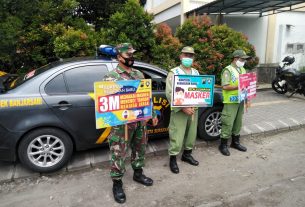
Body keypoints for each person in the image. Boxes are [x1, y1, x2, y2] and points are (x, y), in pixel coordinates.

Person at [103, 43, 158, 204]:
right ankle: (117, 183)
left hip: (140, 121)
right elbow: (105, 103)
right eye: (128, 55)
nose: (131, 58)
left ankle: (138, 172)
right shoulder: (110, 77)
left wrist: (152, 113)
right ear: (119, 57)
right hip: (121, 124)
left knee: (140, 146)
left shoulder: (139, 74)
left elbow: (146, 96)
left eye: (132, 54)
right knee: (118, 151)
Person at [165, 46, 200, 174]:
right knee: (177, 134)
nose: (188, 58)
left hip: (193, 109)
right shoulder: (174, 72)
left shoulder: (196, 73)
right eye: (186, 55)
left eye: (190, 56)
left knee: (191, 134)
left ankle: (187, 154)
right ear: (180, 56)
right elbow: (169, 93)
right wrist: (182, 107)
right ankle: (173, 158)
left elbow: (200, 89)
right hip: (180, 110)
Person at [219, 49, 250, 156]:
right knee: (228, 122)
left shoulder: (243, 69)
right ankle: (223, 145)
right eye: (242, 59)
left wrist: (249, 91)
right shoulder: (227, 70)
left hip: (240, 100)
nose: (244, 61)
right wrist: (239, 86)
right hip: (231, 101)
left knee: (238, 122)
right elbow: (225, 86)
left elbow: (246, 84)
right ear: (235, 58)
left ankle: (235, 142)